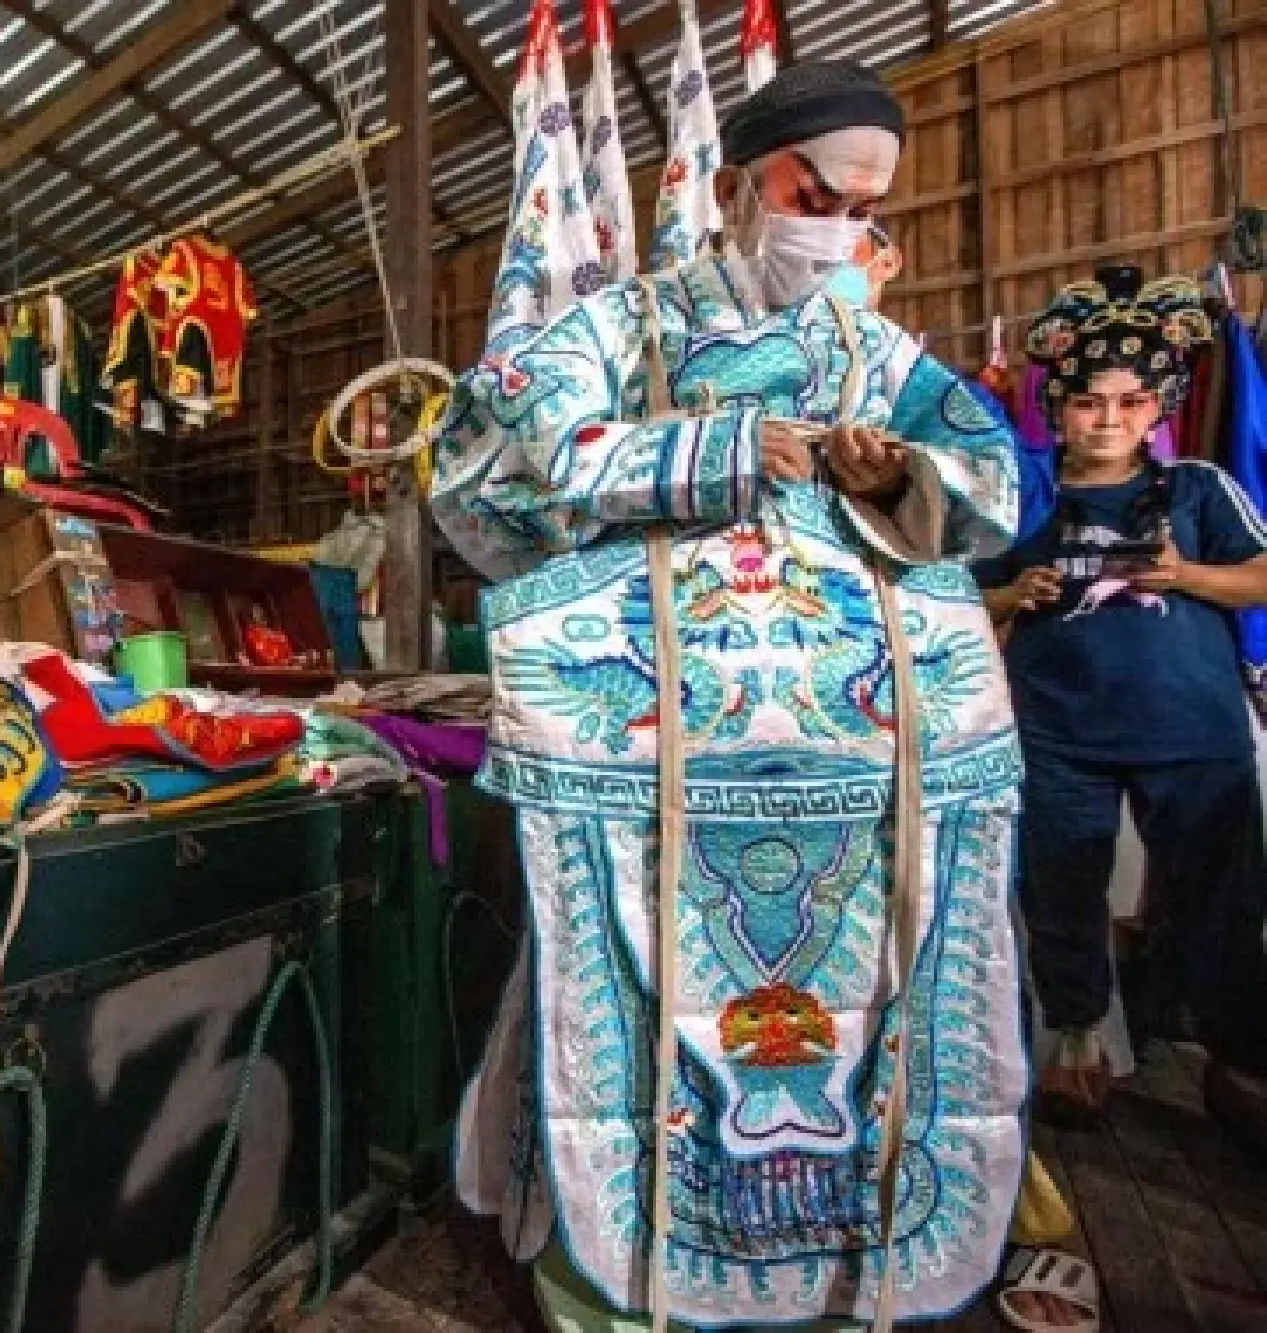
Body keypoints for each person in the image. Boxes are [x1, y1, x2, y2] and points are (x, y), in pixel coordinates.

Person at [435, 60, 1029, 1330]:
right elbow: (483, 462)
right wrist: (703, 448)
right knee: (630, 971)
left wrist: (893, 473)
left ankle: (838, 1269)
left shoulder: (875, 350)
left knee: (866, 980)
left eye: (865, 207)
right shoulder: (619, 328)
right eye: (815, 191)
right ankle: (619, 1265)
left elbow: (992, 480)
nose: (838, 225)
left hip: (865, 751)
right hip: (648, 743)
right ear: (731, 183)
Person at [977, 274, 1267, 1138]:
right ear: (1058, 407)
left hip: (1195, 734)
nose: (1108, 419)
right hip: (1058, 734)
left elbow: (1261, 574)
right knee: (1063, 887)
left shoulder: (1199, 490)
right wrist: (1006, 598)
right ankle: (1076, 1046)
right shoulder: (1018, 498)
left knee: (1225, 900)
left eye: (1131, 401)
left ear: (1158, 407)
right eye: (1090, 402)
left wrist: (1186, 578)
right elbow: (949, 603)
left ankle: (1243, 1056)